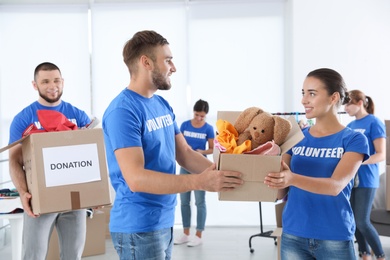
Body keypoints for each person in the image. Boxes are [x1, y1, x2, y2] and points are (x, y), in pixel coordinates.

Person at [102, 30, 243, 260]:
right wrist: (199, 181)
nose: (173, 67)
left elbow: (185, 154)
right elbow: (136, 178)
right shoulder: (123, 111)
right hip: (138, 226)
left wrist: (228, 173)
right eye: (167, 60)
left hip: (164, 220)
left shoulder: (161, 104)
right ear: (146, 62)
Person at [264, 68, 369, 260]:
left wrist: (292, 178)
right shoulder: (295, 137)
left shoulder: (354, 140)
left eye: (312, 93)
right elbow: (280, 192)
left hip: (334, 238)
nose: (304, 100)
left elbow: (335, 186)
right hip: (293, 235)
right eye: (303, 93)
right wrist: (268, 171)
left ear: (333, 97)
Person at [8, 62, 91, 260]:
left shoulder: (78, 116)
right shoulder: (23, 118)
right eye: (45, 81)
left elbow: (90, 157)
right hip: (40, 200)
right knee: (33, 255)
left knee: (73, 255)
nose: (52, 85)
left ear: (63, 82)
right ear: (35, 85)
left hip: (74, 199)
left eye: (56, 80)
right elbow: (14, 160)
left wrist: (91, 194)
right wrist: (23, 193)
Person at [344, 89, 386, 260]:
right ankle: (365, 254)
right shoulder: (349, 126)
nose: (345, 107)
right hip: (350, 179)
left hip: (367, 180)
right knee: (353, 222)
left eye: (348, 103)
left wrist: (358, 161)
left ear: (360, 103)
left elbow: (381, 153)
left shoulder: (373, 122)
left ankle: (381, 255)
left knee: (362, 221)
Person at [174, 99, 214, 247]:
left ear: (206, 115)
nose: (198, 118)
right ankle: (185, 233)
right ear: (193, 112)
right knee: (184, 201)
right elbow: (179, 145)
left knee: (200, 201)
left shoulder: (208, 129)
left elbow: (212, 148)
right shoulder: (184, 125)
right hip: (185, 166)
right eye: (197, 115)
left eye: (202, 116)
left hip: (200, 168)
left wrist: (201, 152)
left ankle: (198, 234)